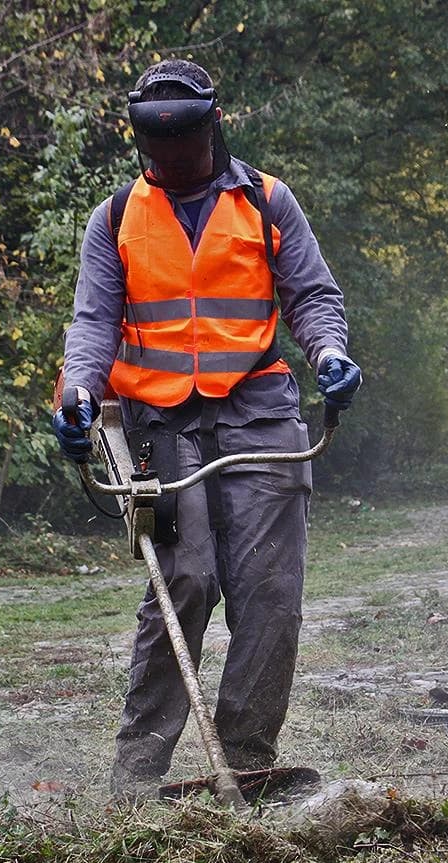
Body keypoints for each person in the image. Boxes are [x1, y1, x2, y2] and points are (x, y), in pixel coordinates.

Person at [50, 58, 361, 798]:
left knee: (269, 592)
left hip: (258, 413)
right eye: (157, 156)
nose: (171, 166)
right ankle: (136, 773)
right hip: (159, 424)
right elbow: (94, 322)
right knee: (181, 583)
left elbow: (312, 294)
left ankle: (248, 761)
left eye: (183, 152)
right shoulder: (118, 215)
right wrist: (80, 397)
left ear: (212, 131)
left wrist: (330, 352)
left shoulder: (267, 202)